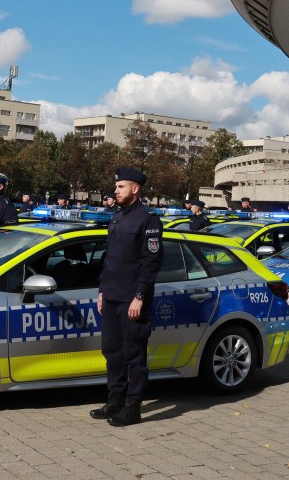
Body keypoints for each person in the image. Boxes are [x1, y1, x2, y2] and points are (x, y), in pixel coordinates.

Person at [90, 167, 162, 427]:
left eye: (121, 187)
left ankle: (133, 407)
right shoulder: (118, 217)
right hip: (111, 296)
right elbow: (109, 260)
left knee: (134, 355)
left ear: (135, 189)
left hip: (132, 299)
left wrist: (140, 297)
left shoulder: (148, 219)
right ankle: (115, 399)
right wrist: (101, 291)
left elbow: (151, 262)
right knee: (112, 352)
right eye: (116, 186)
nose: (116, 191)